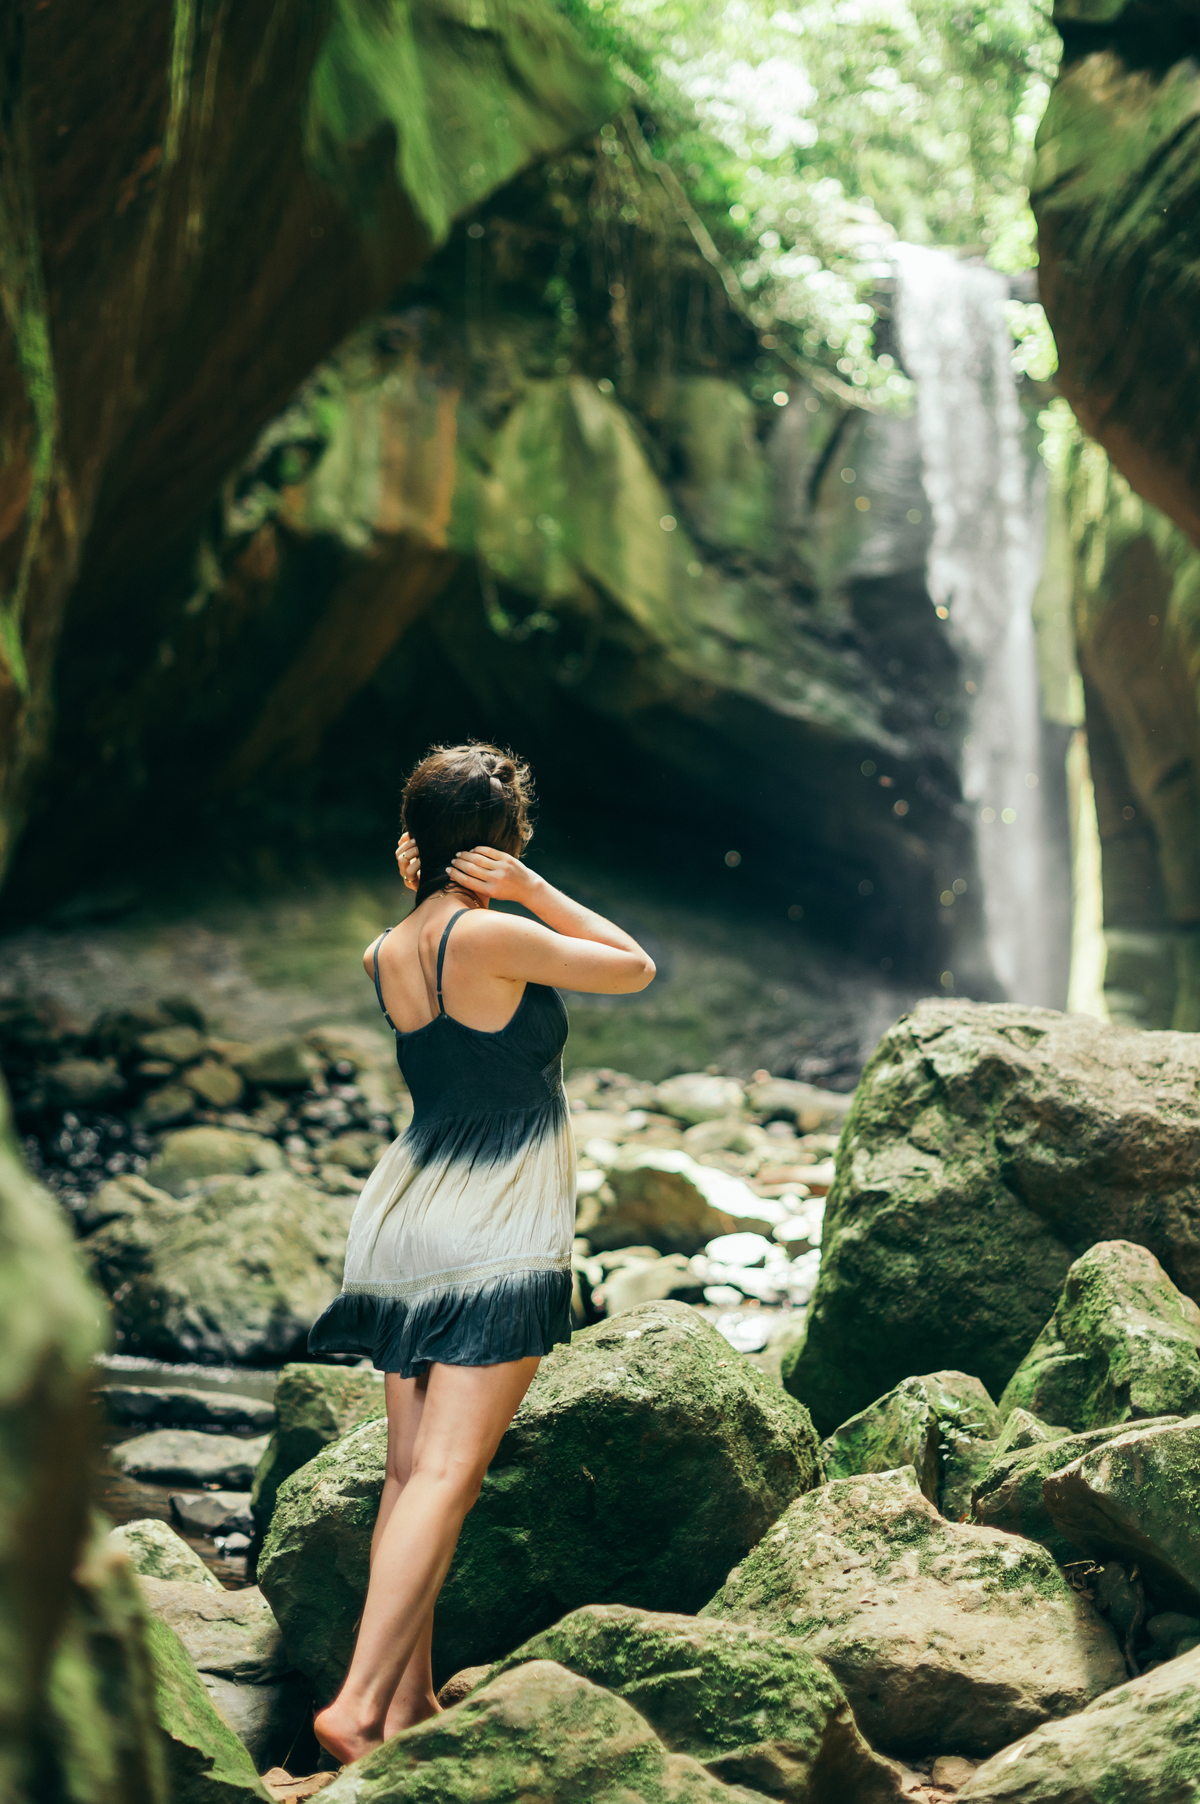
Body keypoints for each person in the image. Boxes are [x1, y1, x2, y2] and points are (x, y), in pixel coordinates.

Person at [308, 741, 655, 1763]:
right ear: (501, 847)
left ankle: (406, 1705)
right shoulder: (494, 937)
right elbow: (631, 965)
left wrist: (443, 882)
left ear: (413, 846)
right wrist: (532, 887)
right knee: (451, 1472)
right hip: (496, 1221)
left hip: (408, 1210)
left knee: (412, 1471)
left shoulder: (388, 949)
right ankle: (357, 1704)